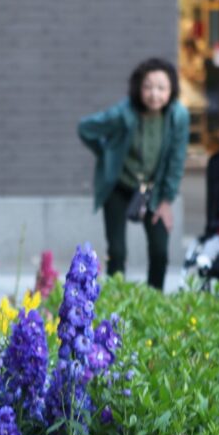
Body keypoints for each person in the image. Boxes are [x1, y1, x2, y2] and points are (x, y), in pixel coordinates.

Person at [78, 57, 189, 290]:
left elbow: (176, 161)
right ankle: (116, 301)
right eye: (148, 87)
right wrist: (107, 155)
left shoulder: (178, 116)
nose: (154, 94)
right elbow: (86, 128)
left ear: (172, 89)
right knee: (117, 252)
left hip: (153, 190)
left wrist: (167, 200)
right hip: (119, 186)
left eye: (161, 88)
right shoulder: (124, 112)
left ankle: (153, 300)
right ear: (138, 88)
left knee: (160, 250)